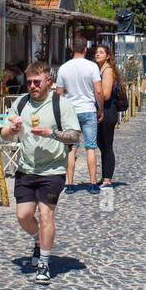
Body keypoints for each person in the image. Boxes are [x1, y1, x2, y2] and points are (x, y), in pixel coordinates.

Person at [1, 60, 81, 284]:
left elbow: (75, 136)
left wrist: (51, 133)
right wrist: (12, 129)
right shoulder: (21, 103)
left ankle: (44, 264)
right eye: (29, 83)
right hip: (26, 169)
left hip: (53, 170)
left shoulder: (60, 104)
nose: (33, 86)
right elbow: (4, 135)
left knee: (46, 215)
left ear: (48, 81)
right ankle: (38, 240)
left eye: (37, 82)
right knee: (23, 215)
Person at [55, 36, 104, 194]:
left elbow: (59, 94)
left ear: (71, 49)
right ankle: (92, 183)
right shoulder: (92, 67)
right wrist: (101, 108)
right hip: (88, 109)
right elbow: (98, 90)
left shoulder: (63, 68)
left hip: (71, 111)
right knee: (90, 147)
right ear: (86, 49)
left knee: (71, 148)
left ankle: (69, 184)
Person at [94, 44, 121, 186]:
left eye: (101, 52)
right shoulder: (99, 69)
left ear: (108, 56)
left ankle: (107, 179)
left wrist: (92, 96)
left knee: (107, 144)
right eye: (97, 52)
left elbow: (106, 94)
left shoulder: (108, 71)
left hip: (108, 111)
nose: (97, 54)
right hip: (102, 110)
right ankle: (105, 176)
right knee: (101, 144)